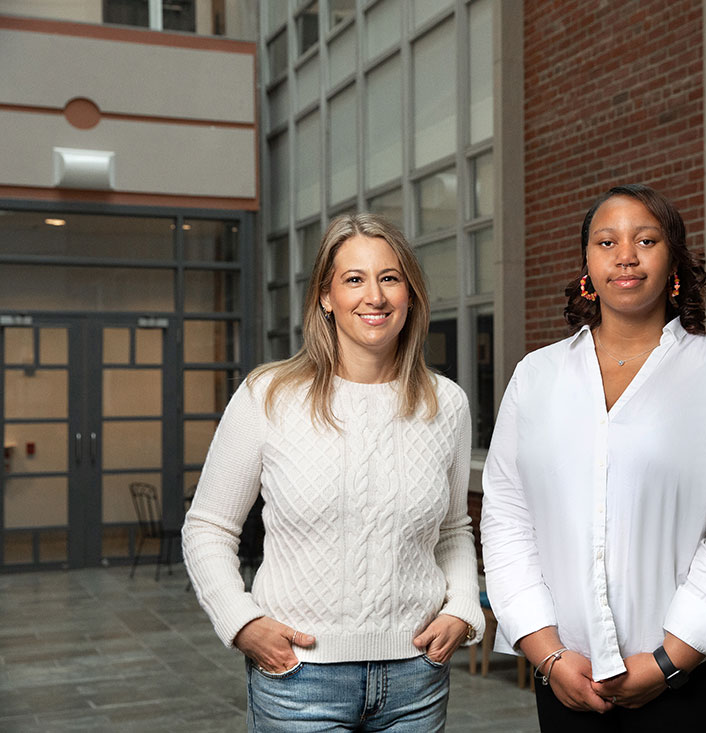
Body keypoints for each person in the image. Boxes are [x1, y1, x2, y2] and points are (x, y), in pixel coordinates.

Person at [480, 184, 706, 732]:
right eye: (606, 241)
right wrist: (547, 654)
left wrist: (668, 662)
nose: (625, 255)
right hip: (569, 676)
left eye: (646, 239)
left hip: (694, 681)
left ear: (673, 263)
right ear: (587, 265)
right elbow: (507, 520)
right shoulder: (536, 376)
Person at [183, 213, 483, 732]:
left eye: (390, 278)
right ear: (326, 296)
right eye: (354, 279)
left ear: (409, 294)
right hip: (300, 682)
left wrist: (461, 608)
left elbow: (452, 530)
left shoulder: (446, 404)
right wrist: (242, 622)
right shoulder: (268, 395)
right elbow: (208, 527)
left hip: (416, 678)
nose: (375, 297)